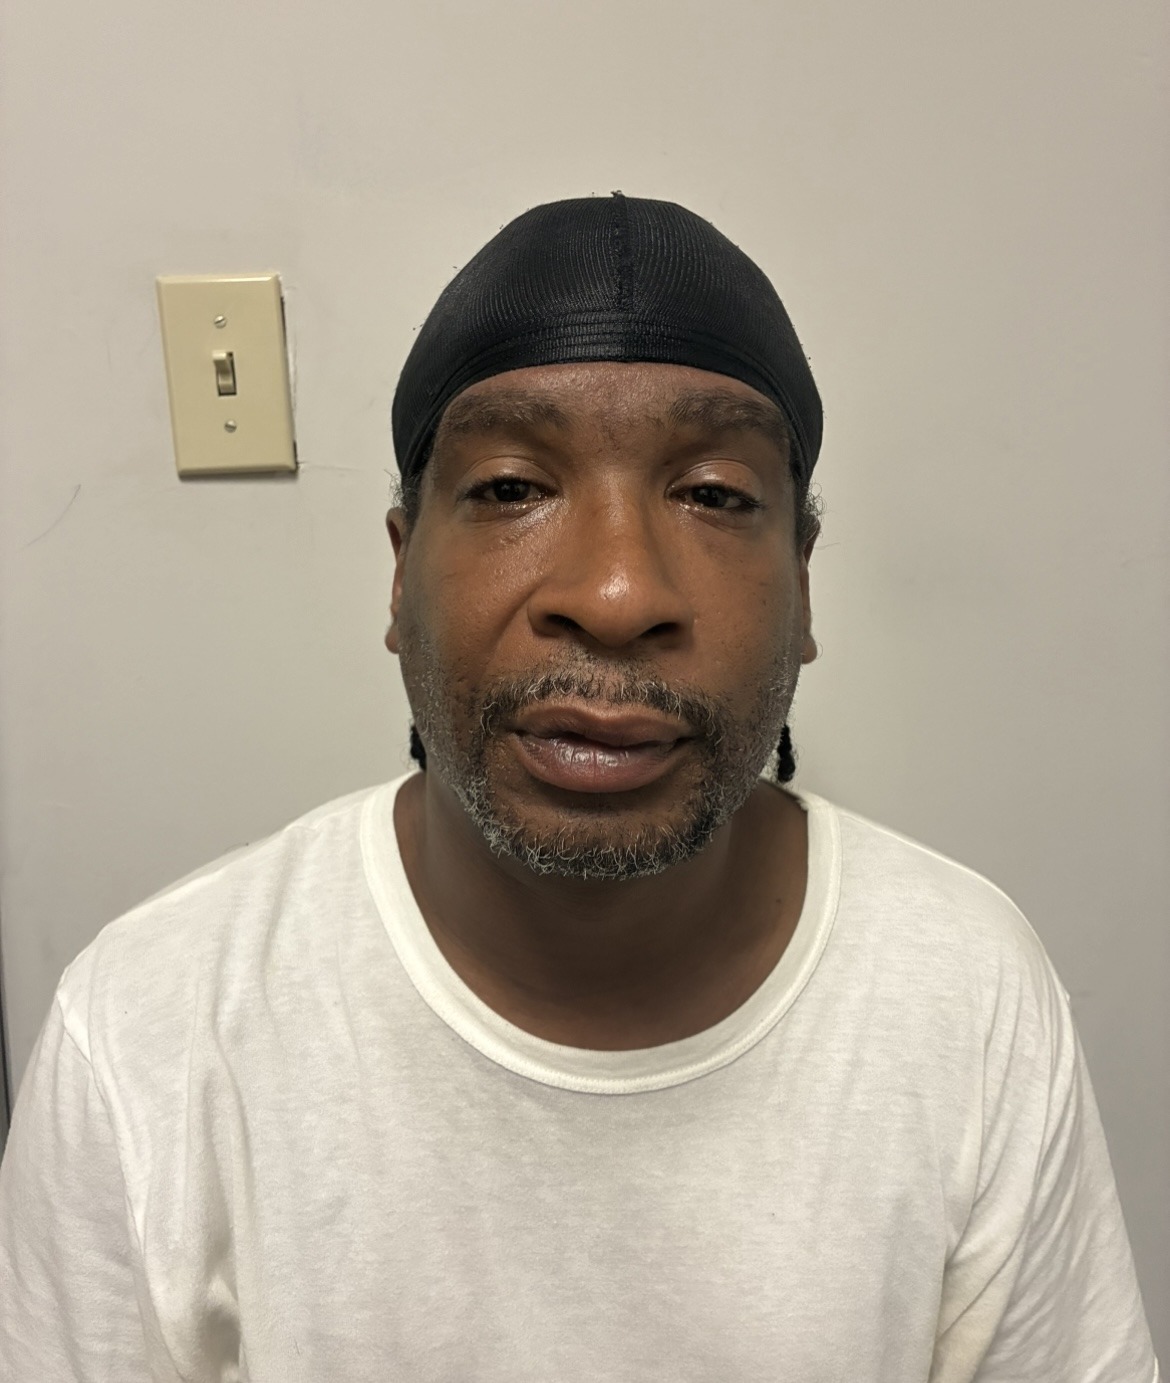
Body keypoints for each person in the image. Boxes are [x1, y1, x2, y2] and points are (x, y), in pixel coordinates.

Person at [0, 194, 1158, 1382]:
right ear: (400, 575)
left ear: (805, 585)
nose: (615, 593)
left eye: (713, 494)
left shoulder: (966, 993)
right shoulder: (154, 1035)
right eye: (512, 486)